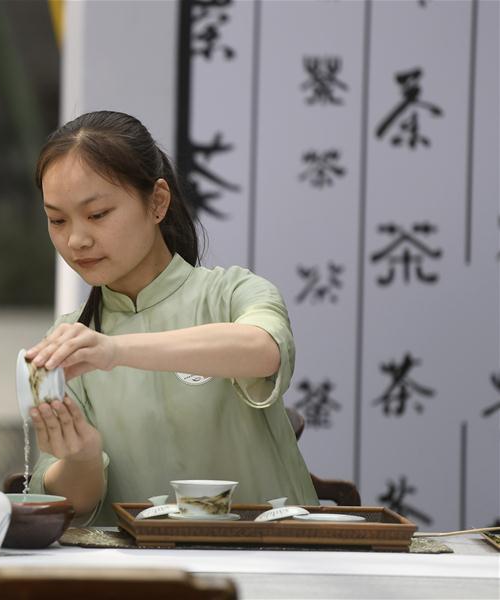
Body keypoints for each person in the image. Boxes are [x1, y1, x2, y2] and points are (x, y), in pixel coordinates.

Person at [25, 111, 317, 525]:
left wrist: (114, 350)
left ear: (157, 202)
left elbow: (264, 350)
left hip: (272, 566)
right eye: (57, 220)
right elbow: (76, 506)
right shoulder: (67, 341)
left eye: (97, 215)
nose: (76, 239)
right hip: (139, 579)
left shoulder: (233, 293)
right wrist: (82, 456)